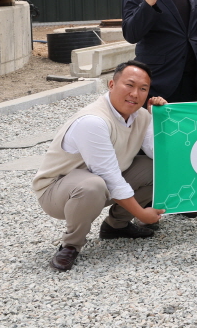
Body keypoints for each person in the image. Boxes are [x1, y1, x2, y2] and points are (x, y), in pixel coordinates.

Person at [33, 61, 166, 271]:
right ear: (111, 84)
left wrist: (160, 120)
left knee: (156, 169)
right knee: (92, 186)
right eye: (129, 85)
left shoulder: (141, 116)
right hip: (57, 190)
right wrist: (142, 213)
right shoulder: (93, 121)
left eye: (143, 89)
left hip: (100, 182)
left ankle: (116, 226)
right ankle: (71, 245)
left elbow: (158, 156)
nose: (135, 94)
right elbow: (110, 177)